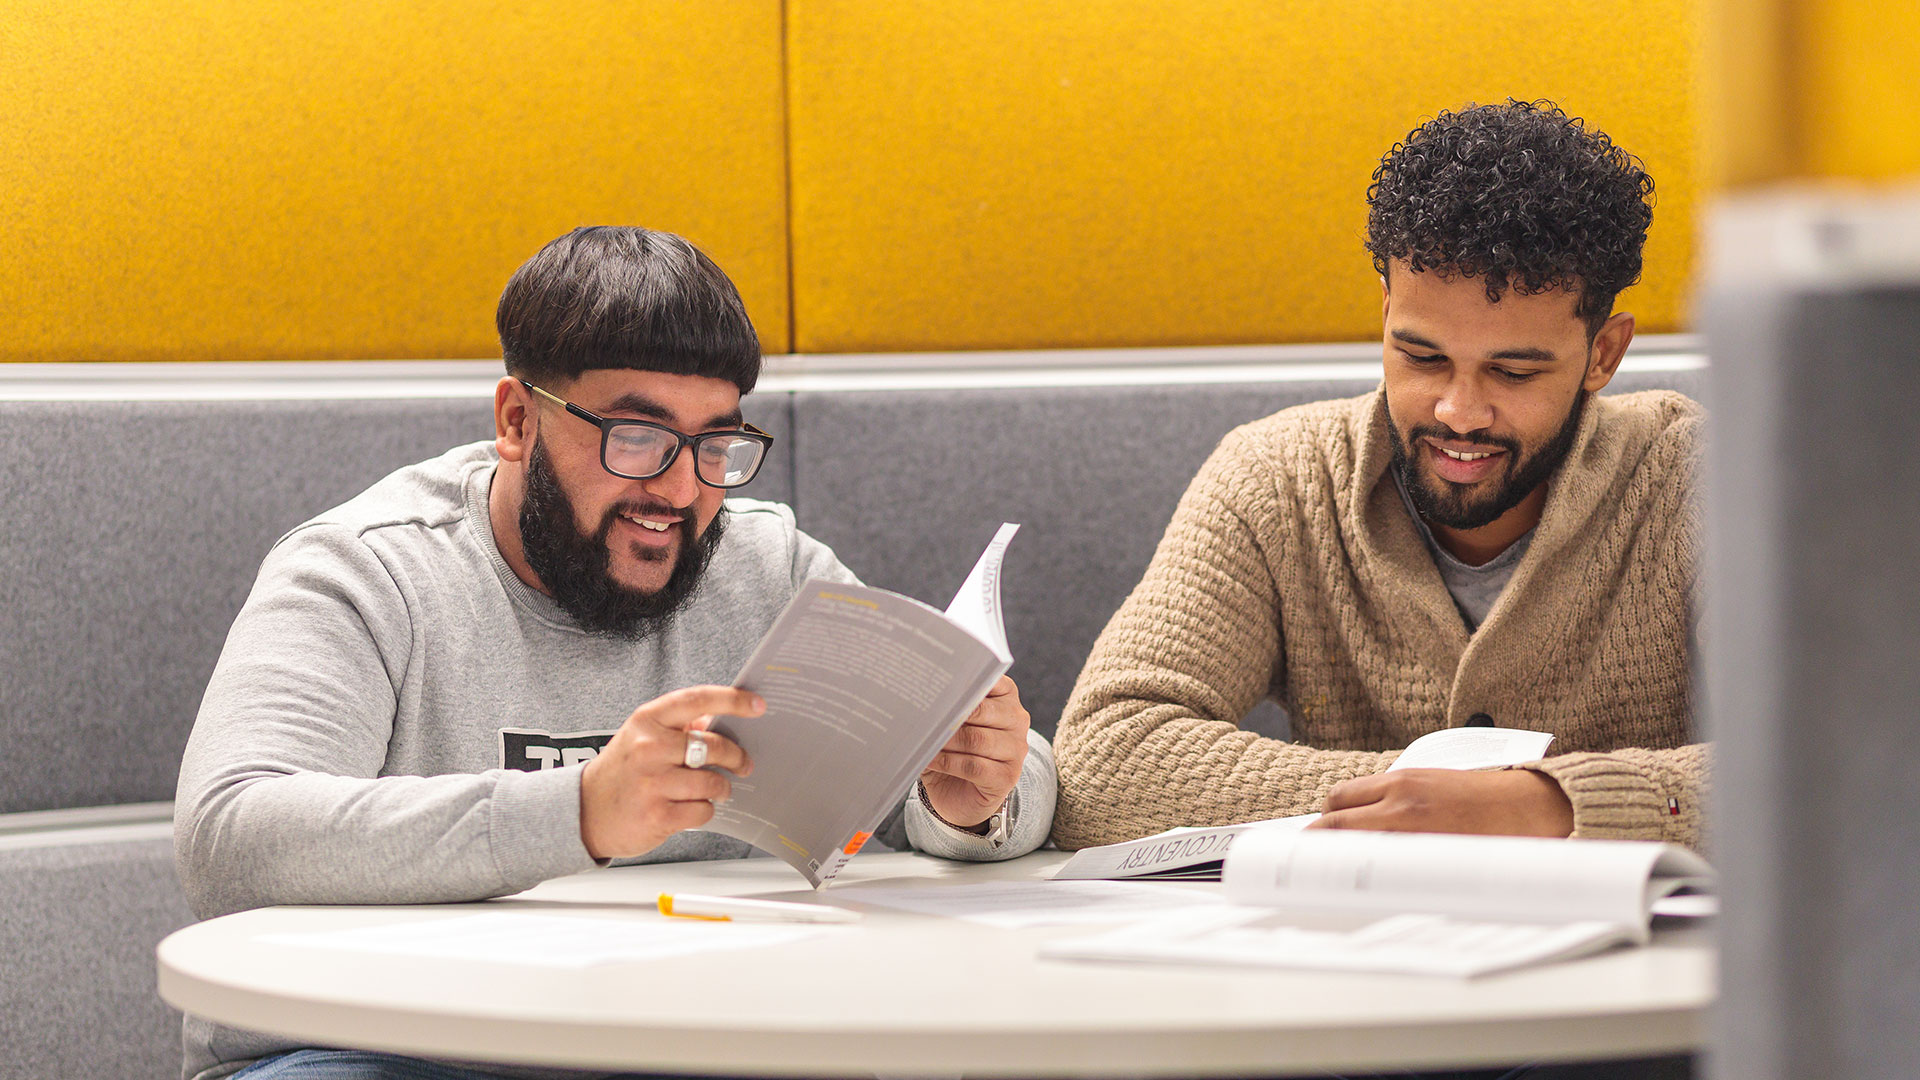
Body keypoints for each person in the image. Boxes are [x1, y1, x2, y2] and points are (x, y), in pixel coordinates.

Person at [174, 226, 1058, 1080]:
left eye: (716, 444)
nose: (678, 489)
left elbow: (940, 796)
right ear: (518, 419)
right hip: (376, 1050)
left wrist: (973, 800)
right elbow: (232, 836)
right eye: (636, 437)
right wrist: (581, 810)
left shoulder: (768, 566)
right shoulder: (368, 571)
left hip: (688, 1045)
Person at [1052, 100, 1706, 856]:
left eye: (1515, 370)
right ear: (1386, 313)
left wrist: (1543, 804)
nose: (1459, 412)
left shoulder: (1704, 486)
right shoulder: (1276, 478)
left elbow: (1835, 760)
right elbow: (1104, 762)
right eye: (1422, 357)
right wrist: (1436, 798)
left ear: (1604, 354)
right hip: (1348, 962)